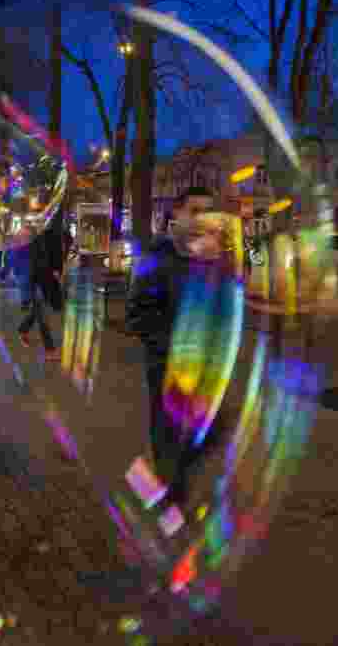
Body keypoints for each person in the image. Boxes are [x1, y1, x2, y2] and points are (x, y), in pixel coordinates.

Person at [125, 186, 223, 509]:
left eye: (208, 211)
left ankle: (170, 483)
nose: (202, 219)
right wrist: (175, 347)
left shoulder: (206, 258)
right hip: (166, 363)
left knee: (209, 429)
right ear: (177, 214)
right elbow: (137, 314)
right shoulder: (156, 256)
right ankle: (171, 498)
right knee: (168, 433)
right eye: (195, 211)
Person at [18, 220, 63, 360]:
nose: (24, 237)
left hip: (38, 284)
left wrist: (54, 272)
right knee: (43, 318)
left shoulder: (36, 244)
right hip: (35, 285)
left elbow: (42, 264)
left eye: (26, 235)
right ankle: (50, 351)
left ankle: (23, 329)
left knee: (37, 312)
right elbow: (32, 268)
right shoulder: (29, 246)